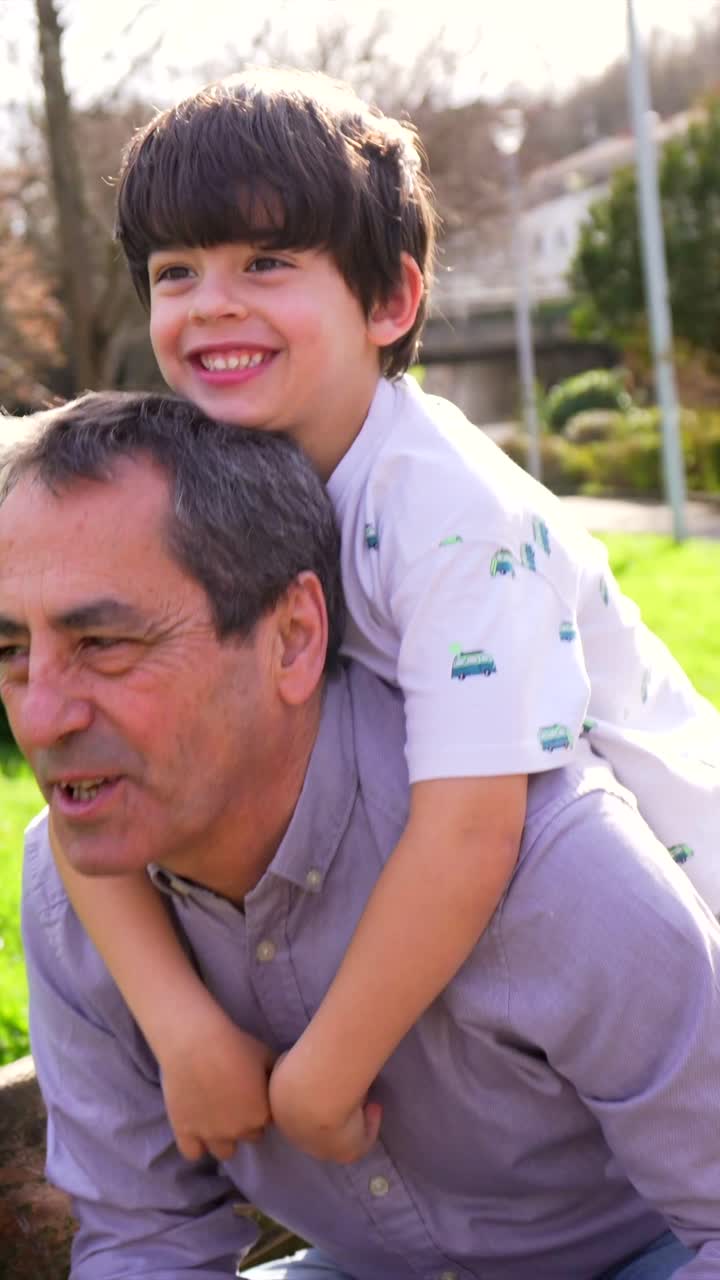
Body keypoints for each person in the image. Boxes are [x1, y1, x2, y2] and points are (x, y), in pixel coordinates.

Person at [51, 68, 720, 1167]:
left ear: (390, 301)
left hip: (662, 954)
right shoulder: (188, 483)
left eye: (266, 260)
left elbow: (474, 829)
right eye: (178, 270)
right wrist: (183, 1025)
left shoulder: (450, 511)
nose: (213, 298)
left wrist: (322, 1071)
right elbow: (85, 765)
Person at [4, 393, 720, 1279]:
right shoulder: (74, 887)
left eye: (104, 642)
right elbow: (146, 1243)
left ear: (295, 637)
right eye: (10, 654)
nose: (39, 716)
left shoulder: (552, 858)